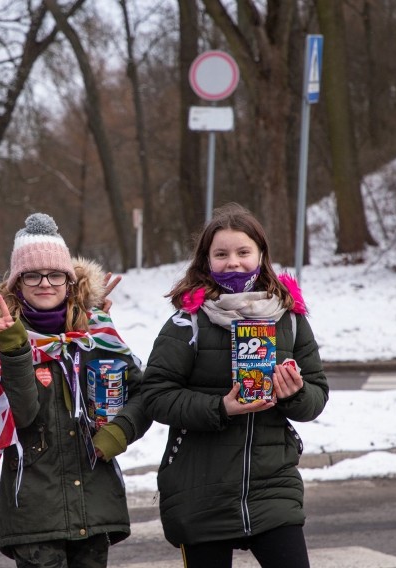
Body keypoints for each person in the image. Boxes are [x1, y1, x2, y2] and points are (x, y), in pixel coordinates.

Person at [140, 203, 329, 568]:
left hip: (272, 487)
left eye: (244, 252)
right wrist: (220, 407)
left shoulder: (288, 317)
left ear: (261, 254)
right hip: (201, 490)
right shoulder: (187, 321)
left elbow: (317, 395)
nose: (234, 263)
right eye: (221, 254)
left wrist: (295, 395)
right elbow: (156, 396)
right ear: (206, 260)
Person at [0, 213, 151, 568]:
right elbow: (23, 414)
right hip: (35, 513)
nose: (45, 283)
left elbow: (146, 394)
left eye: (55, 274)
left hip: (95, 503)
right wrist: (14, 348)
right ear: (16, 283)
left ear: (70, 282)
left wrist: (119, 433)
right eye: (32, 275)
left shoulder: (97, 334)